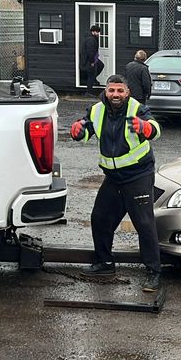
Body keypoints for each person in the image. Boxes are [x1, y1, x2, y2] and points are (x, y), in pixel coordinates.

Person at [70, 74, 162, 292]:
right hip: (113, 178)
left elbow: (156, 129)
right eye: (112, 90)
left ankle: (154, 272)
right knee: (100, 218)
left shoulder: (136, 109)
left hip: (138, 175)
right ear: (106, 91)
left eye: (120, 91)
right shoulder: (96, 110)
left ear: (127, 92)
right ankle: (105, 263)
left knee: (144, 224)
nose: (115, 95)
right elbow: (85, 131)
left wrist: (146, 128)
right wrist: (78, 131)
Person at [80, 24, 104, 90]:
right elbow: (90, 52)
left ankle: (93, 80)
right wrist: (92, 61)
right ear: (93, 32)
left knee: (100, 65)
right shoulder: (91, 40)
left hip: (90, 59)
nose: (98, 33)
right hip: (88, 60)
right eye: (97, 32)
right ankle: (89, 91)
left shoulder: (91, 39)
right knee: (92, 74)